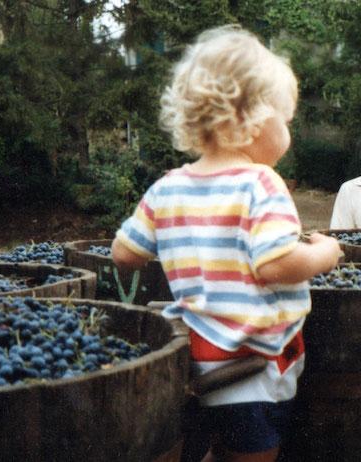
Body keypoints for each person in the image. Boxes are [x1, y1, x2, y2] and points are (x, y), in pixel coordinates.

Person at [110, 25, 341, 462]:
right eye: (286, 121)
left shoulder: (168, 187)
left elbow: (124, 254)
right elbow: (275, 265)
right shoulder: (260, 183)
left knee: (212, 449)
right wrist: (323, 255)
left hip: (197, 363)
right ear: (251, 119)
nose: (288, 135)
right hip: (251, 367)